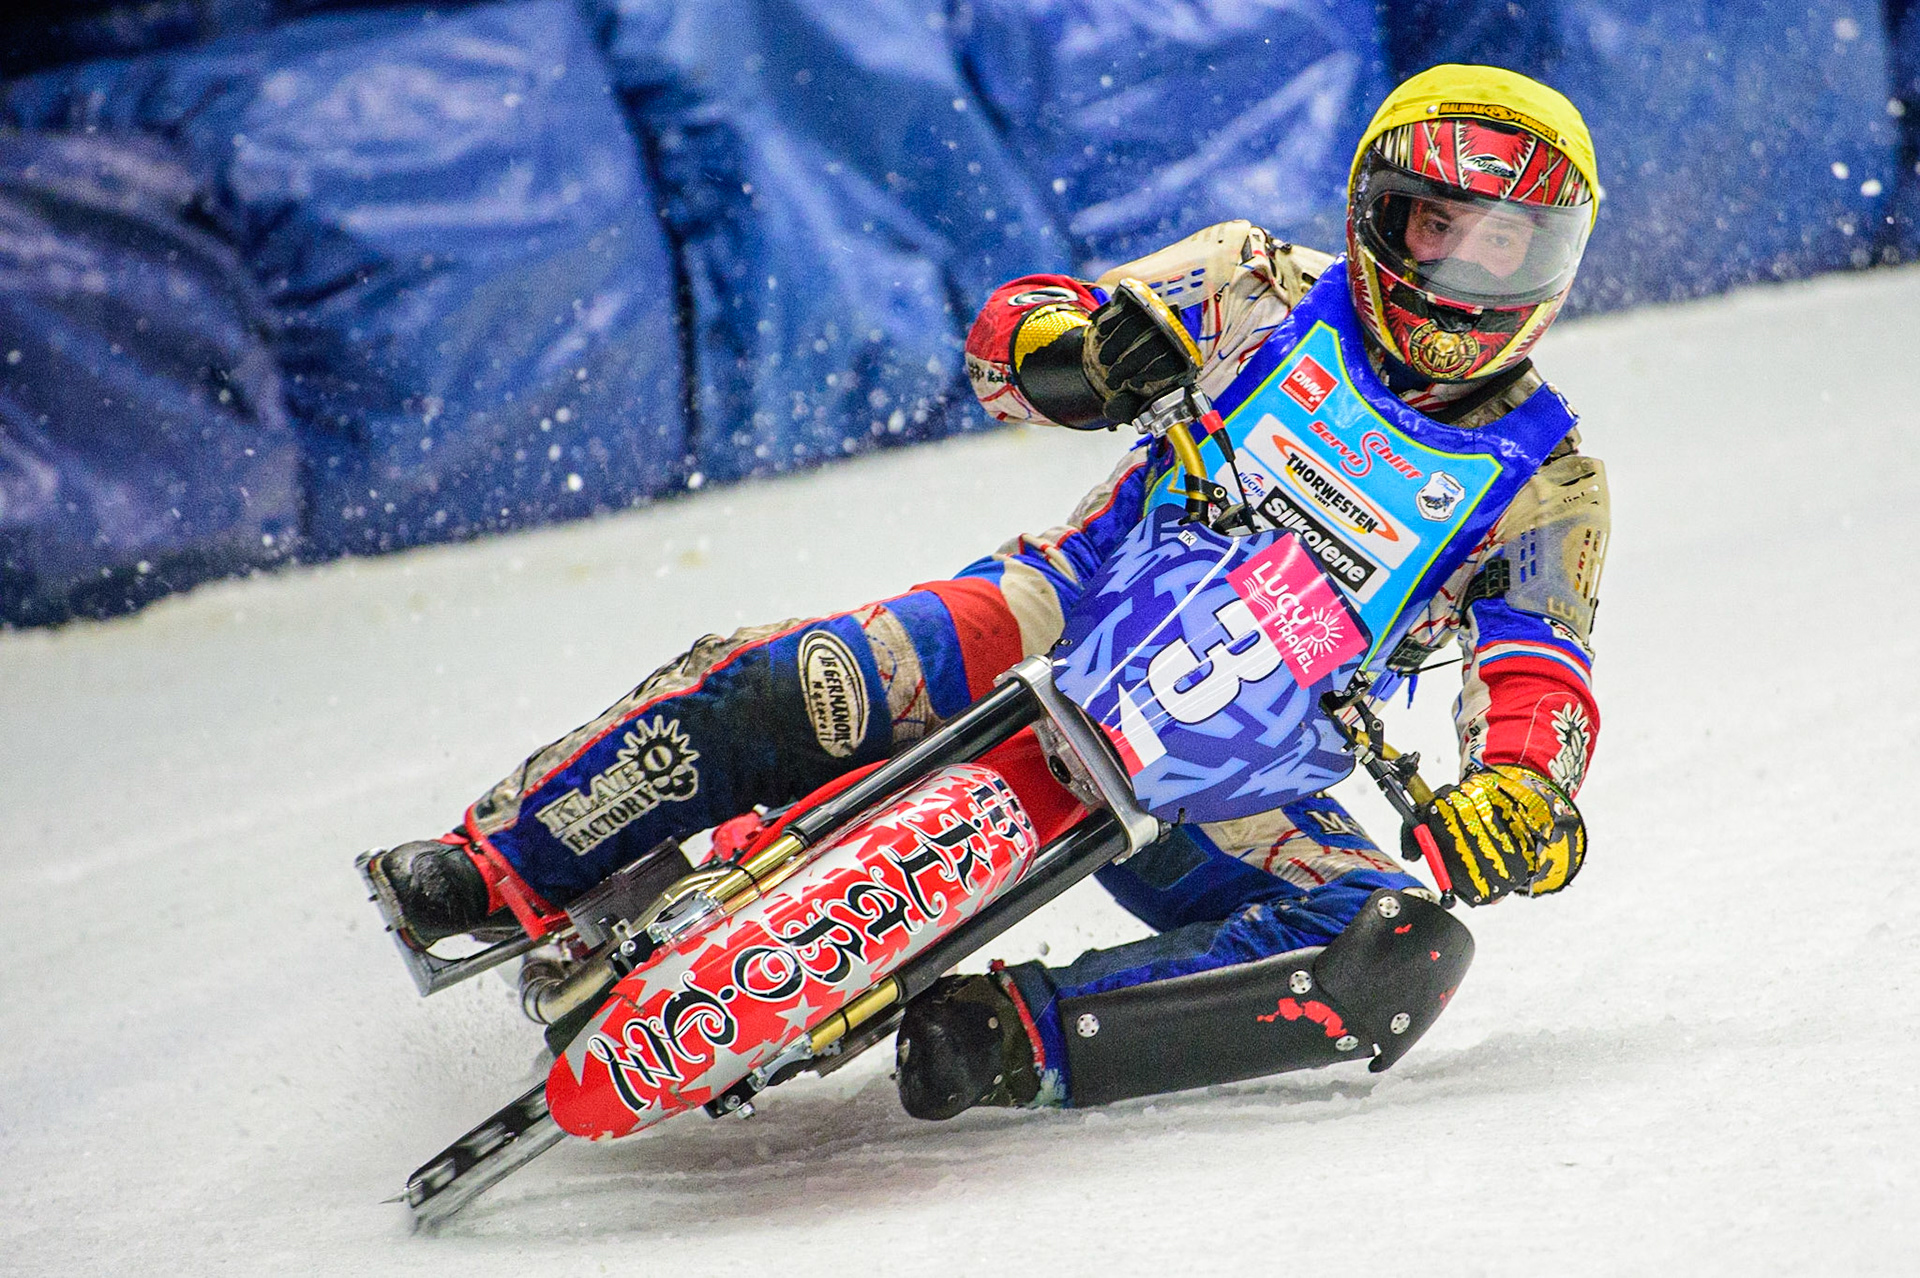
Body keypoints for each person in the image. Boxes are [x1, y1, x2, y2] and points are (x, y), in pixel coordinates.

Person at [363, 64, 1609, 1118]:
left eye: (1504, 243)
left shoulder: (1549, 484)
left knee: (1394, 952)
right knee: (807, 679)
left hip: (1246, 768)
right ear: (1376, 216)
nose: (1464, 271)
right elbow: (1018, 332)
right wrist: (1081, 350)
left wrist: (1518, 795)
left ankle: (1025, 1038)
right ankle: (503, 865)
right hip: (1064, 610)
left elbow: (1540, 672)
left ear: (1553, 264)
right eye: (1437, 225)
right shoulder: (1255, 282)